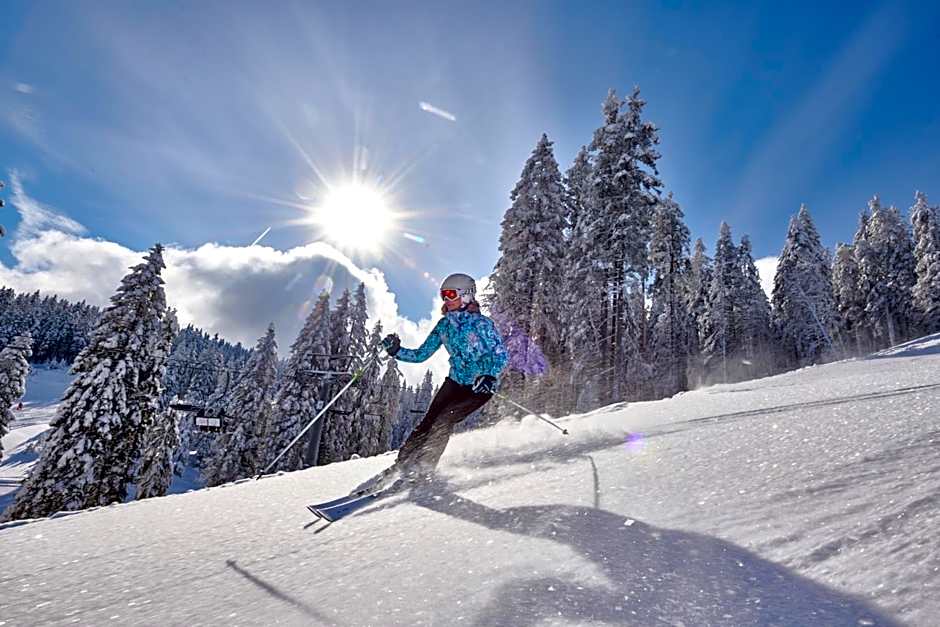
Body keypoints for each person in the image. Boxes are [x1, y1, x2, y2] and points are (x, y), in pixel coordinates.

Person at [361, 273, 508, 492]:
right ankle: (402, 464)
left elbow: (500, 355)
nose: (446, 300)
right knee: (427, 422)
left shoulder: (482, 324)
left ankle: (424, 469)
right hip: (455, 382)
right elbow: (421, 354)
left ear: (467, 295)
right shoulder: (445, 326)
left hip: (479, 387)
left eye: (451, 294)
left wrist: (489, 375)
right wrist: (396, 351)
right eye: (443, 295)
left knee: (444, 421)